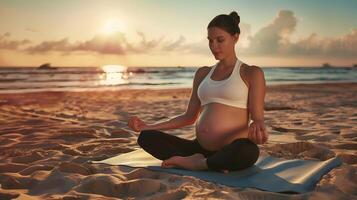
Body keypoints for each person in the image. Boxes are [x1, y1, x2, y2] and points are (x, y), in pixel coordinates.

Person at [127, 11, 268, 173]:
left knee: (248, 152)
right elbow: (189, 117)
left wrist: (258, 127)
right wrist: (147, 126)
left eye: (220, 40)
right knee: (147, 137)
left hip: (231, 148)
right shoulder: (202, 73)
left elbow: (257, 119)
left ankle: (201, 164)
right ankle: (204, 162)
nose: (214, 46)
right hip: (198, 148)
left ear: (235, 37)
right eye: (210, 41)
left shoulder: (251, 73)